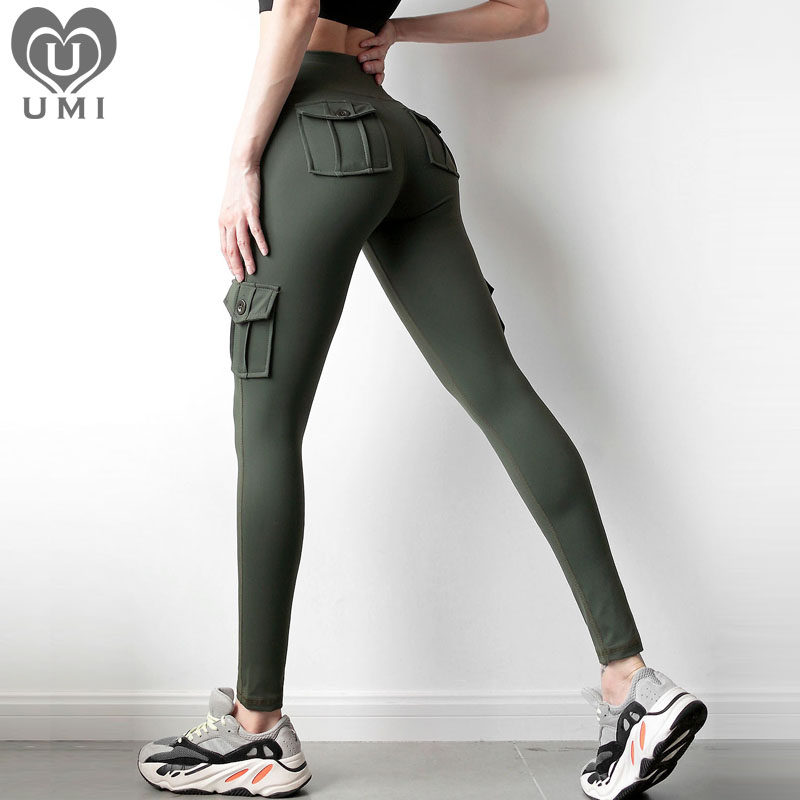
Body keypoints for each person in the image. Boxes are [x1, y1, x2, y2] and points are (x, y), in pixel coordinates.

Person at [137, 2, 707, 798]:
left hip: (315, 130)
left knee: (266, 428)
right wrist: (398, 30)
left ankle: (256, 727)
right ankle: (632, 680)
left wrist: (242, 160)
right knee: (501, 392)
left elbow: (296, 8)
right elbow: (528, 12)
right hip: (410, 145)